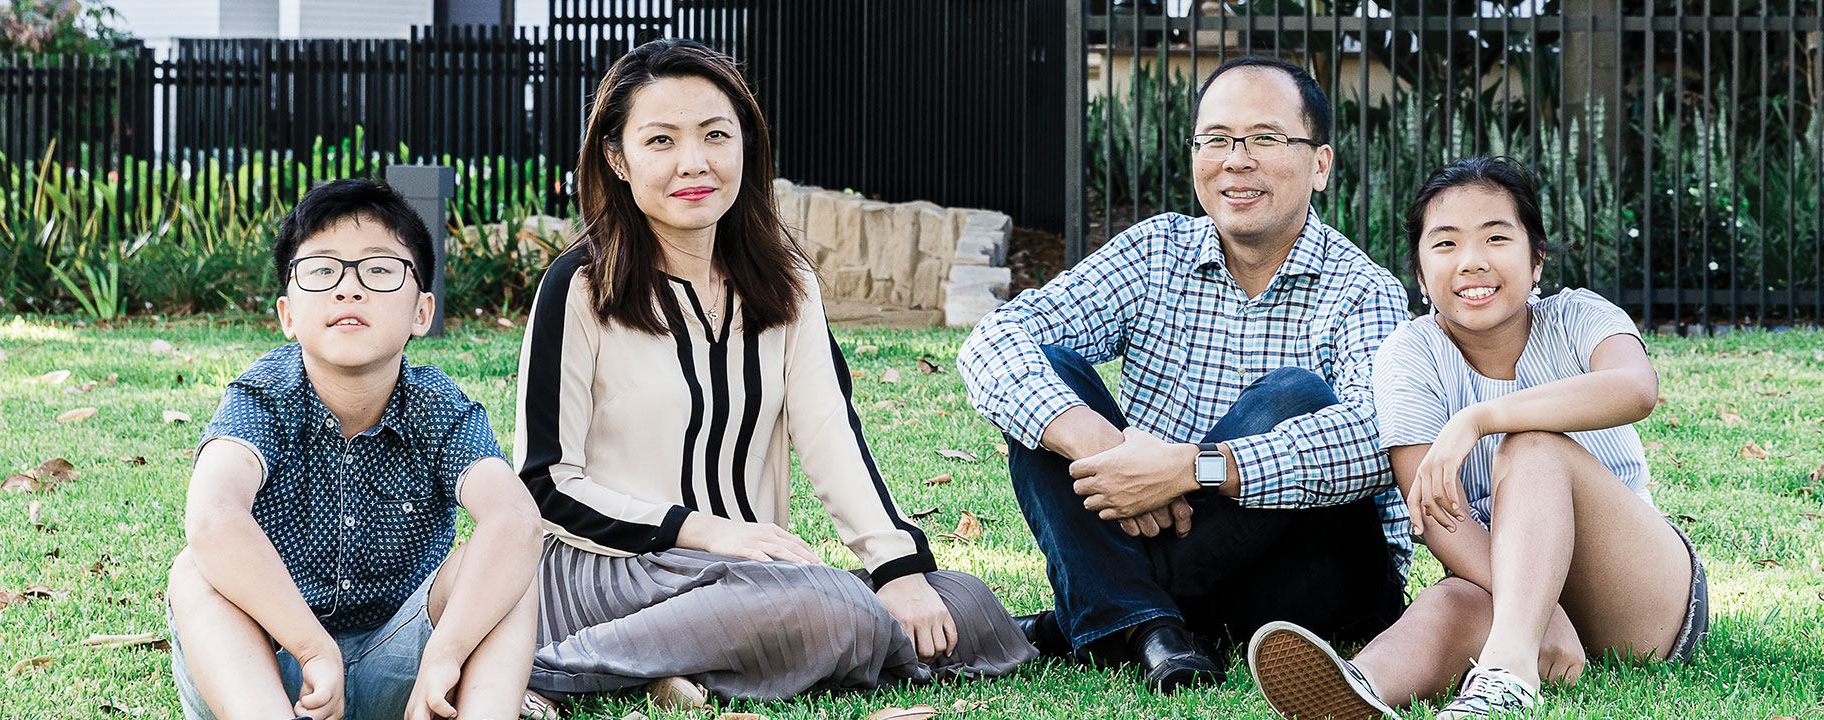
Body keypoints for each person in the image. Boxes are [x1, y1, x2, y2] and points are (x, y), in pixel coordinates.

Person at [511, 39, 1032, 714]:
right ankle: (548, 669)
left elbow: (831, 438)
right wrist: (706, 531)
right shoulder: (580, 286)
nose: (693, 163)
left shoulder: (785, 283)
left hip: (752, 579)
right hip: (609, 570)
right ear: (617, 158)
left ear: (745, 146)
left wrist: (898, 569)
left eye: (715, 135)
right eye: (661, 140)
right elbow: (545, 483)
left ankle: (681, 667)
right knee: (838, 610)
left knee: (967, 605)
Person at [957, 55, 1411, 693]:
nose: (1237, 159)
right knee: (1045, 391)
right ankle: (1153, 631)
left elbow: (1377, 442)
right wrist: (1099, 445)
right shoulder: (1155, 253)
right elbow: (994, 340)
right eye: (1217, 140)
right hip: (1173, 552)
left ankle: (1099, 615)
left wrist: (1190, 468)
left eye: (1264, 138)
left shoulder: (1363, 290)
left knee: (1297, 395)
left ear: (1320, 165)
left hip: (1313, 585)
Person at [1246, 157, 1710, 719]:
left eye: (1496, 238)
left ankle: (1507, 675)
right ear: (1420, 274)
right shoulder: (1408, 356)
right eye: (1444, 245)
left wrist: (1480, 418)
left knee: (1532, 446)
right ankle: (1356, 691)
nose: (1471, 262)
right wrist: (1539, 612)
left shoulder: (1580, 318)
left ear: (1536, 259)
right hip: (1501, 582)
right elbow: (1440, 516)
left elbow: (1635, 389)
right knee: (1447, 602)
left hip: (1639, 594)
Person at [168, 178, 543, 720]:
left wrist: (446, 653)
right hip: (270, 670)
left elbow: (516, 519)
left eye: (380, 269)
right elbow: (212, 516)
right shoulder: (263, 395)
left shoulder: (438, 405)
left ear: (422, 312)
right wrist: (312, 647)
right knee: (195, 570)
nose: (349, 289)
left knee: (507, 564)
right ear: (287, 315)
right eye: (321, 270)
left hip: (408, 671)